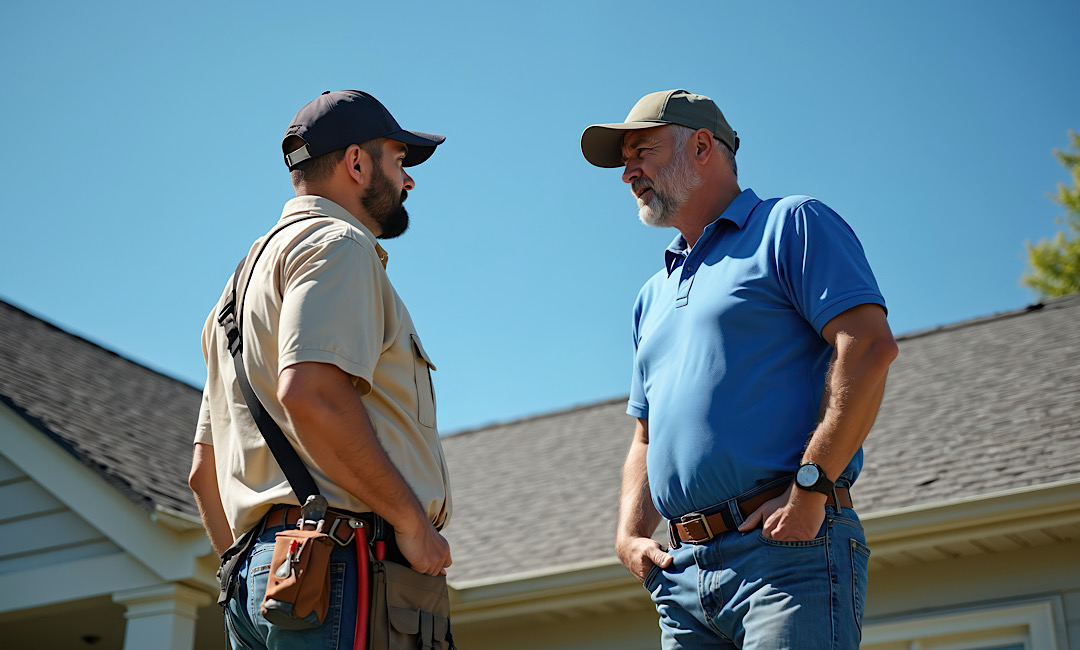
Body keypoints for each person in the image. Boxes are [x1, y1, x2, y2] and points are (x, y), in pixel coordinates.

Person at [580, 89, 898, 649]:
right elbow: (646, 434)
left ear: (702, 145)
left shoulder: (790, 224)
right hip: (681, 579)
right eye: (625, 159)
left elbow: (869, 347)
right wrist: (630, 536)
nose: (628, 171)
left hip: (787, 556)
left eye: (643, 151)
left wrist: (810, 490)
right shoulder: (650, 296)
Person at [188, 89, 453, 649]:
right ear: (357, 163)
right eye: (399, 160)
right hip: (341, 567)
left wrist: (250, 568)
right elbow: (311, 392)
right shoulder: (338, 244)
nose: (408, 182)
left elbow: (203, 473)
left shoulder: (231, 298)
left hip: (260, 581)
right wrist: (411, 523)